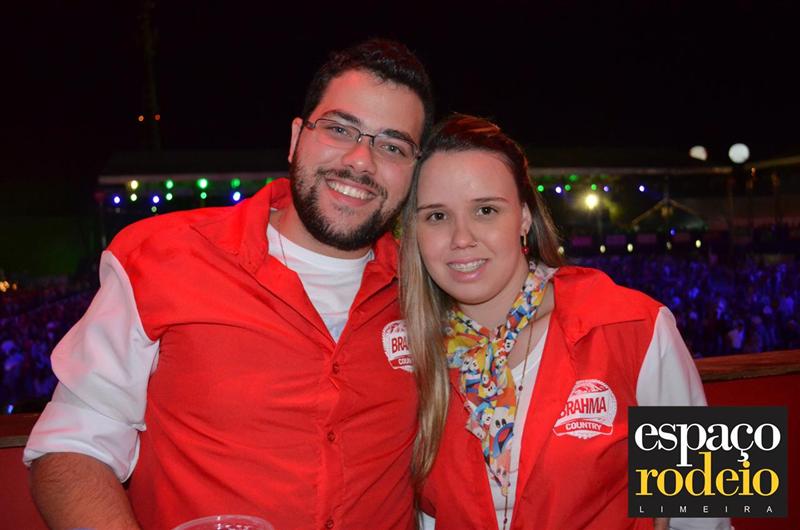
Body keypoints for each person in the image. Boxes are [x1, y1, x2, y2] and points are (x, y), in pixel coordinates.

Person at [24, 38, 433, 530]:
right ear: (296, 138)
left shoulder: (426, 290)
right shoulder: (166, 257)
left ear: (414, 172)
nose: (362, 161)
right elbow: (72, 447)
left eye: (392, 146)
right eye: (340, 129)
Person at [400, 114, 730, 530]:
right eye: (436, 216)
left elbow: (710, 512)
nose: (461, 238)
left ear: (524, 217)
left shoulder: (639, 324)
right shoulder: (404, 353)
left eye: (486, 210)